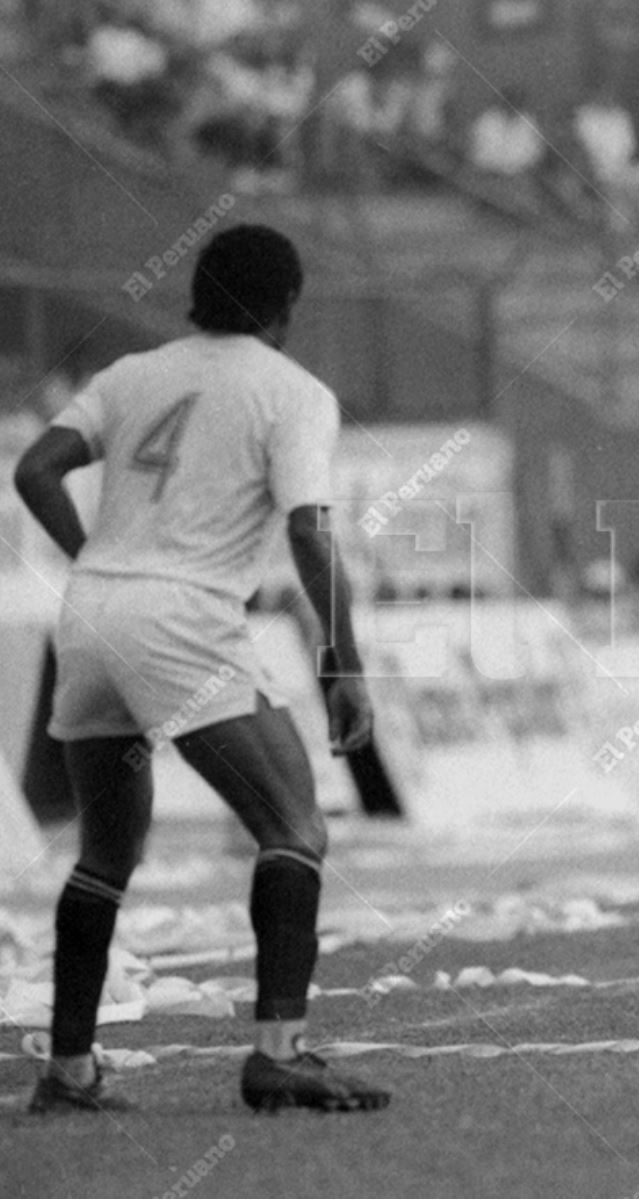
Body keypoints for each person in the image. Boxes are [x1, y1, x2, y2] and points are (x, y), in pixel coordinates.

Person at [11, 225, 389, 1114]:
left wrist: (94, 557)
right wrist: (346, 662)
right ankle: (279, 1054)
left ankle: (69, 1070)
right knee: (296, 822)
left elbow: (35, 470)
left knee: (105, 849)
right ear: (286, 307)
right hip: (182, 619)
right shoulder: (293, 392)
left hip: (92, 615)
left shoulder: (132, 373)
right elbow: (308, 529)